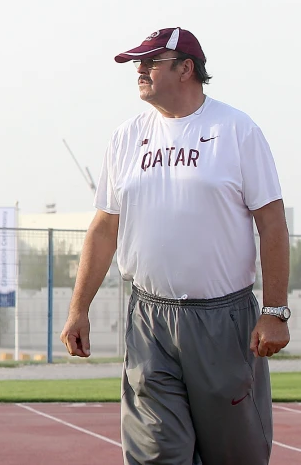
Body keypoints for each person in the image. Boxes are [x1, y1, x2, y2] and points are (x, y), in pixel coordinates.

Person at [60, 27, 291, 465]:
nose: (140, 71)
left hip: (224, 321)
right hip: (150, 319)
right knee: (156, 454)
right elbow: (104, 228)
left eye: (151, 62)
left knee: (234, 455)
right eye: (137, 64)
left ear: (187, 69)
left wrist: (275, 311)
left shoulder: (236, 130)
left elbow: (273, 223)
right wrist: (79, 309)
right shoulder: (126, 137)